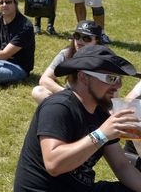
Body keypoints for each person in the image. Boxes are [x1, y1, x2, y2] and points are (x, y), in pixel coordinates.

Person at [14, 45, 141, 191]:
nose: (118, 86)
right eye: (111, 78)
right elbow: (54, 164)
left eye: (119, 79)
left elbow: (122, 166)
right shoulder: (58, 107)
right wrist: (102, 134)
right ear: (83, 77)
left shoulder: (100, 113)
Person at [31, 20, 103, 104]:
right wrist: (67, 94)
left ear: (97, 41)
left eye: (86, 38)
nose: (80, 41)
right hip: (71, 98)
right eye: (77, 36)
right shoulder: (67, 53)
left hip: (93, 102)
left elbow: (111, 92)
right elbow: (44, 79)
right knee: (38, 91)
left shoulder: (104, 59)